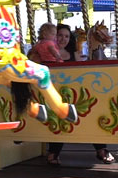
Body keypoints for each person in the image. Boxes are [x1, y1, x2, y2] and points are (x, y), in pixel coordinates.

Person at [46, 24, 115, 165]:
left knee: (90, 116)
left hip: (74, 93)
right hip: (54, 94)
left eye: (66, 36)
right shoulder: (47, 52)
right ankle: (54, 151)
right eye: (60, 35)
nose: (63, 39)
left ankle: (101, 149)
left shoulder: (75, 54)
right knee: (59, 117)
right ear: (54, 36)